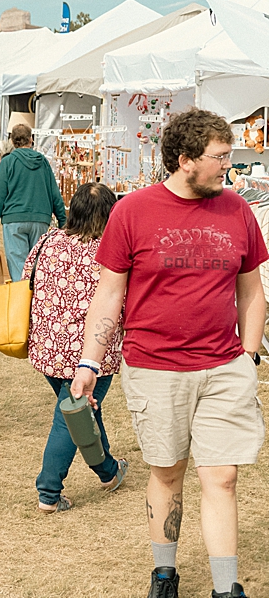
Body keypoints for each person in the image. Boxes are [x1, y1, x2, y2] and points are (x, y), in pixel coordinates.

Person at [73, 110, 267, 598]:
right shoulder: (132, 211)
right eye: (219, 157)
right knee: (167, 472)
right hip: (155, 368)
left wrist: (247, 354)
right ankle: (165, 573)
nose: (229, 166)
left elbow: (252, 291)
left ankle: (227, 587)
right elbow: (110, 295)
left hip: (224, 366)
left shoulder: (237, 210)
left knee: (221, 476)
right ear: (184, 160)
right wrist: (89, 361)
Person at [26, 181, 127, 513]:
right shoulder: (111, 251)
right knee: (70, 416)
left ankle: (108, 471)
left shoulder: (48, 240)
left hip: (48, 346)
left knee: (81, 411)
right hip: (93, 352)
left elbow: (27, 275)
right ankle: (48, 491)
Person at [0, 122, 66, 279]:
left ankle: (23, 301)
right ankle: (37, 300)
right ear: (31, 139)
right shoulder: (43, 162)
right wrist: (63, 222)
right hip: (40, 218)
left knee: (19, 268)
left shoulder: (7, 162)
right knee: (38, 266)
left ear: (12, 141)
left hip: (14, 219)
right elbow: (54, 194)